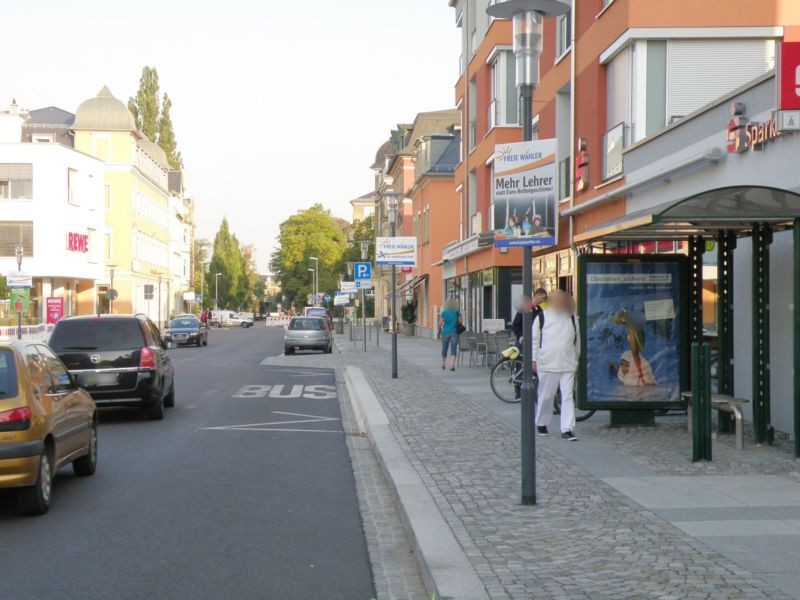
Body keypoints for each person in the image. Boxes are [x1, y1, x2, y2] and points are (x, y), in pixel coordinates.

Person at [532, 290, 580, 441]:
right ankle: (542, 422)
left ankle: (567, 428)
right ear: (552, 302)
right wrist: (534, 360)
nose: (560, 303)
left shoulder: (572, 318)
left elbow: (577, 341)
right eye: (557, 300)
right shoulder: (542, 318)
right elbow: (535, 340)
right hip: (548, 363)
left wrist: (576, 359)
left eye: (562, 300)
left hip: (568, 363)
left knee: (567, 396)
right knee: (546, 395)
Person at [438, 299, 463, 372]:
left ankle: (443, 363)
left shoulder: (444, 313)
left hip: (445, 332)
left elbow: (440, 324)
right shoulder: (457, 312)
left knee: (444, 348)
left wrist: (439, 328)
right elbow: (461, 322)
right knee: (453, 348)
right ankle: (452, 365)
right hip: (454, 332)